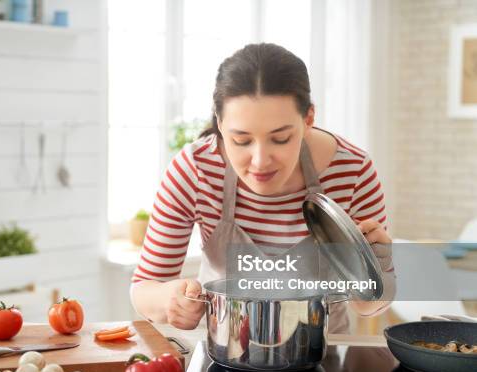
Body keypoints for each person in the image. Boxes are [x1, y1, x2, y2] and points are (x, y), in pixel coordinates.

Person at [130, 43, 395, 333]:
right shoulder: (195, 169)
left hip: (323, 355)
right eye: (241, 140)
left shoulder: (352, 170)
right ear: (220, 123)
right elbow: (144, 288)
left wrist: (376, 266)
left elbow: (369, 305)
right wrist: (170, 300)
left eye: (280, 138)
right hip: (226, 351)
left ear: (308, 119)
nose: (260, 162)